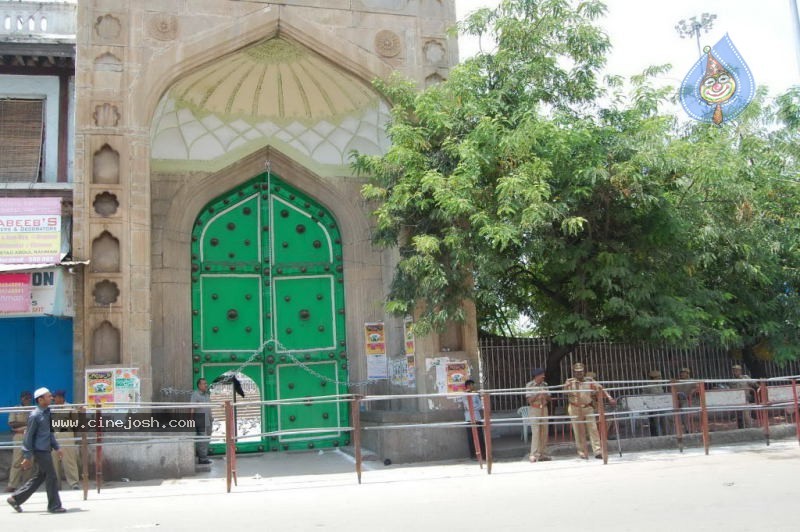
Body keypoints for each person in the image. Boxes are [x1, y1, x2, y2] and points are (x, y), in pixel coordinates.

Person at [6, 387, 66, 514]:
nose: (52, 398)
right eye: (49, 396)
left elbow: (50, 433)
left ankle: (15, 499)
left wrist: (57, 447)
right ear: (40, 399)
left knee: (40, 476)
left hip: (46, 449)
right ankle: (54, 506)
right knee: (51, 476)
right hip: (40, 450)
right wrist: (27, 456)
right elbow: (28, 436)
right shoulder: (35, 415)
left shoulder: (47, 413)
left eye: (51, 396)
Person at [564, 363, 616, 459]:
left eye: (581, 371)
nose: (579, 373)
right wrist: (566, 386)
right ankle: (581, 452)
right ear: (574, 373)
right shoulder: (570, 382)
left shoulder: (589, 381)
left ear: (584, 371)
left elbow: (601, 388)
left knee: (593, 429)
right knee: (578, 430)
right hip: (575, 408)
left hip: (587, 407)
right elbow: (565, 392)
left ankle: (597, 451)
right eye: (577, 372)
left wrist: (609, 397)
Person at [51, 390, 81, 489]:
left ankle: (73, 483)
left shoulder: (70, 408)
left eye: (55, 397)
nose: (54, 399)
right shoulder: (51, 409)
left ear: (61, 398)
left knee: (69, 460)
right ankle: (56, 484)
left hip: (66, 435)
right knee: (54, 461)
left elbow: (76, 423)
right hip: (54, 436)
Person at [6, 391, 34, 493]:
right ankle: (12, 484)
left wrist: (23, 425)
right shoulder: (15, 409)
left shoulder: (33, 410)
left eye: (29, 398)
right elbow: (12, 424)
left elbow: (35, 424)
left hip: (30, 436)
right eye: (25, 398)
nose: (27, 400)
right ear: (21, 398)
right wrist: (26, 423)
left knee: (29, 460)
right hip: (19, 436)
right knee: (17, 460)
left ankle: (26, 484)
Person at [524, 368, 551, 462]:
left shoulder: (545, 385)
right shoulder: (529, 385)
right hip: (534, 409)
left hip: (544, 409)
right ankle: (533, 454)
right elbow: (529, 400)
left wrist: (545, 395)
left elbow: (549, 399)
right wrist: (537, 395)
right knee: (536, 432)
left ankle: (542, 453)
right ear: (536, 376)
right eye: (541, 375)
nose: (543, 377)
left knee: (544, 431)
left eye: (543, 375)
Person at [459, 379, 486, 460]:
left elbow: (481, 405)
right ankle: (473, 455)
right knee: (471, 438)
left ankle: (483, 455)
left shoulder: (475, 394)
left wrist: (474, 407)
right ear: (467, 386)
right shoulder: (464, 395)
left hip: (477, 418)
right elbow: (468, 406)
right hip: (469, 419)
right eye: (471, 385)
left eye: (473, 385)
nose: (473, 386)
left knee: (480, 436)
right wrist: (474, 407)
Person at [190, 377, 213, 465]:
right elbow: (192, 408)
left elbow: (209, 408)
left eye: (206, 383)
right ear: (199, 385)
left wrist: (212, 417)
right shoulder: (195, 395)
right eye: (204, 383)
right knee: (202, 439)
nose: (206, 385)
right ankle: (202, 458)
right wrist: (190, 421)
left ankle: (204, 456)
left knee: (207, 439)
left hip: (209, 420)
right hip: (200, 420)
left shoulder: (207, 395)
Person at [643, 370, 666, 437]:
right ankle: (657, 436)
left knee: (663, 421)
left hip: (661, 405)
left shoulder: (659, 385)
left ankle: (665, 435)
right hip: (653, 407)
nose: (660, 379)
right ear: (654, 378)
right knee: (655, 423)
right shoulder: (649, 386)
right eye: (658, 378)